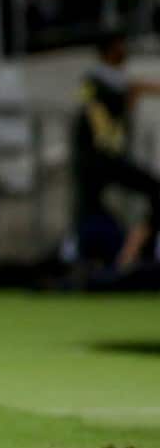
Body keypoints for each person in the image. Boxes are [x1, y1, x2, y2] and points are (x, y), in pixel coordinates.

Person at [72, 31, 160, 273]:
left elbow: (131, 91)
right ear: (110, 50)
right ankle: (104, 258)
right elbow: (121, 95)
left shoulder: (112, 80)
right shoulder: (95, 81)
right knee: (88, 209)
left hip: (106, 158)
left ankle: (131, 254)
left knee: (153, 190)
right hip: (97, 158)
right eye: (120, 45)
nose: (124, 50)